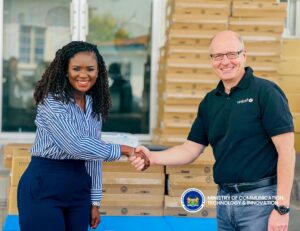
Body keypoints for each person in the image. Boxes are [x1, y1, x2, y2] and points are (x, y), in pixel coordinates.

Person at [130, 31, 296, 231]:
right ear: (211, 61)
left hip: (260, 200)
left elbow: (286, 152)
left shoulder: (266, 93)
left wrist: (282, 207)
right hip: (225, 201)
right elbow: (189, 150)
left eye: (231, 54)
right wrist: (153, 157)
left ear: (244, 55)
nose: (224, 61)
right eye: (217, 56)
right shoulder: (210, 101)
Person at [17, 41, 149, 231]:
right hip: (44, 184)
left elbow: (93, 154)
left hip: (79, 190)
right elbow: (75, 144)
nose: (83, 74)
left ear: (99, 72)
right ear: (65, 70)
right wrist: (125, 150)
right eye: (76, 68)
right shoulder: (51, 102)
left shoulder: (93, 106)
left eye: (90, 69)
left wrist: (94, 202)